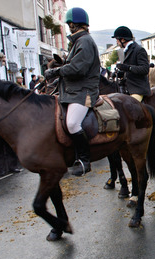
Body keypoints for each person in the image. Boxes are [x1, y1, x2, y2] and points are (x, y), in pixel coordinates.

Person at [44, 7, 100, 176]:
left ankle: (84, 159)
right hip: (73, 91)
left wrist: (55, 71)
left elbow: (78, 68)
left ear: (75, 24)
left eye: (70, 24)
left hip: (85, 93)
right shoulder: (77, 42)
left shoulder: (85, 41)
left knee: (72, 123)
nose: (69, 27)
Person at [112, 26, 150, 102]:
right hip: (126, 87)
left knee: (132, 107)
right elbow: (128, 71)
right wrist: (121, 72)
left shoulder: (139, 50)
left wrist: (128, 68)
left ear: (123, 39)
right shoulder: (124, 51)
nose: (116, 42)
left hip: (138, 89)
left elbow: (145, 69)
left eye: (117, 40)